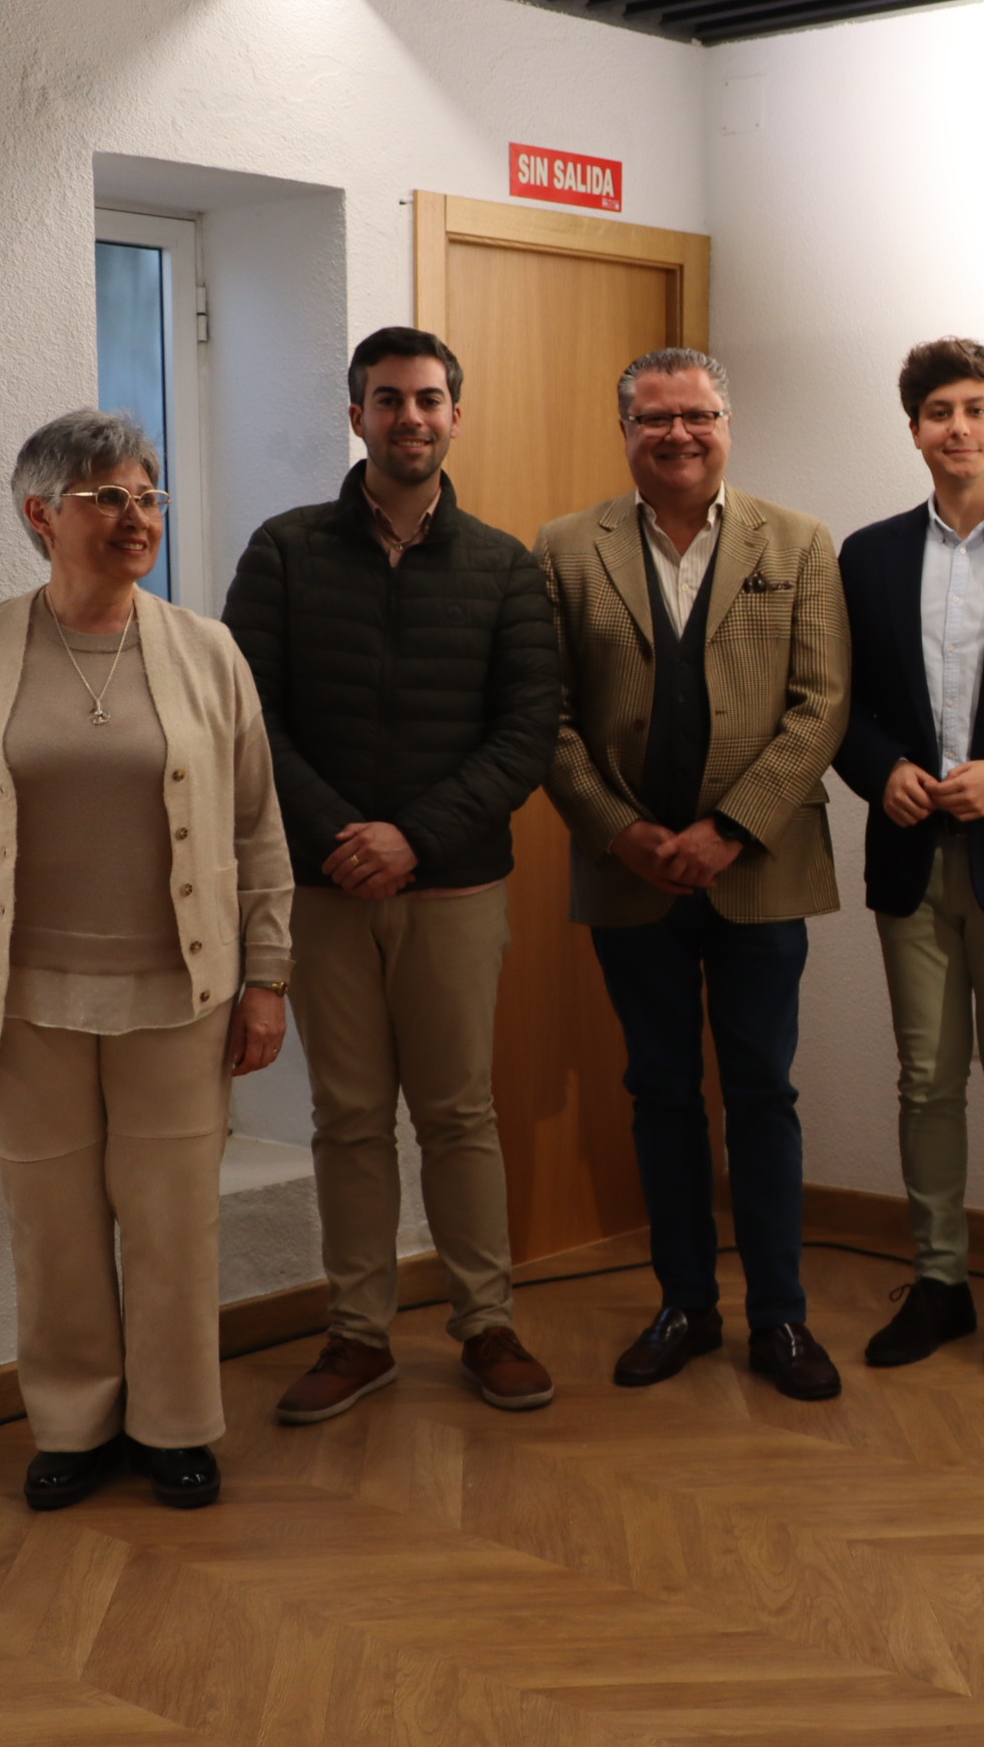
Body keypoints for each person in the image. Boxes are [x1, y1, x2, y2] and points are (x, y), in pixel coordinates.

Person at [0, 412, 291, 1512]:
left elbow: (258, 828)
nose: (137, 516)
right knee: (54, 1228)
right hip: (22, 1002)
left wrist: (267, 976)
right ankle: (73, 1424)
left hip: (181, 995)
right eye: (107, 497)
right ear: (42, 514)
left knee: (174, 1227)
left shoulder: (207, 650)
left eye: (148, 495)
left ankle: (175, 1426)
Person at [224, 327, 562, 1426]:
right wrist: (342, 835)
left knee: (460, 1114)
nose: (409, 417)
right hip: (323, 891)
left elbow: (527, 732)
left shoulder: (506, 567)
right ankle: (357, 1335)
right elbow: (247, 717)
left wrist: (413, 837)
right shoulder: (285, 551)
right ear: (356, 415)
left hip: (454, 888)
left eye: (427, 399)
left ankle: (487, 1322)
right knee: (350, 1118)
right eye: (388, 399)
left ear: (455, 414)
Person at [538, 347, 851, 1401]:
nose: (678, 434)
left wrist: (729, 828)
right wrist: (621, 831)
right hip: (630, 876)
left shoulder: (797, 543)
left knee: (763, 1093)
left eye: (698, 415)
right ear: (625, 430)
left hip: (759, 872)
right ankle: (684, 1304)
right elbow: (548, 715)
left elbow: (821, 706)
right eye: (655, 418)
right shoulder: (566, 549)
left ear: (727, 423)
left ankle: (781, 1318)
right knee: (661, 1093)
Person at [835, 338, 984, 1375]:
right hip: (911, 854)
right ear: (913, 430)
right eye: (938, 412)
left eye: (975, 409)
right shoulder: (867, 556)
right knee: (926, 1083)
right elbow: (840, 705)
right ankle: (942, 1283)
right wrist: (882, 771)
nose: (958, 428)